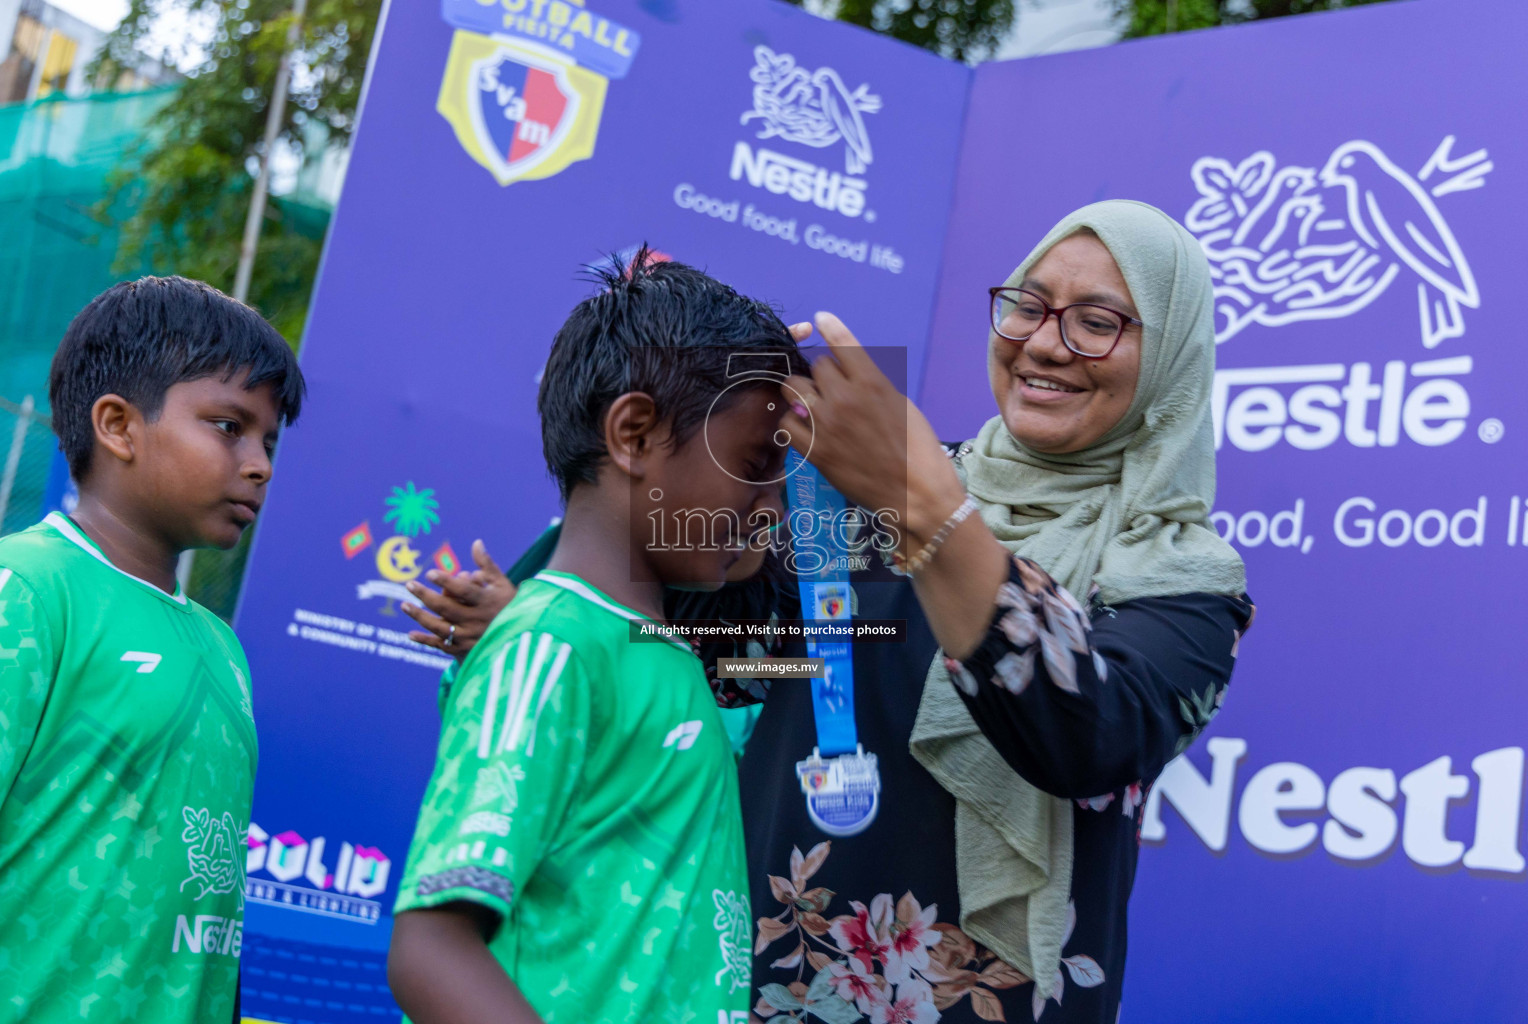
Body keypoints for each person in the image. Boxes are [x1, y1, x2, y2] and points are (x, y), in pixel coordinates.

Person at [411, 200, 1253, 1023]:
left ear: (1172, 354)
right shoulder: (868, 487)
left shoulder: (1182, 579)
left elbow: (1093, 735)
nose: (1044, 342)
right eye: (1027, 306)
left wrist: (927, 508)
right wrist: (565, 624)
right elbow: (748, 655)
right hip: (770, 988)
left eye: (1097, 322)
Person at [386, 253, 811, 1024]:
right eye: (754, 466)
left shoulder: (666, 658)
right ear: (635, 433)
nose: (772, 511)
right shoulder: (548, 648)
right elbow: (431, 947)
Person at [0, 276, 306, 1024]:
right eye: (230, 427)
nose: (261, 463)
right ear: (118, 425)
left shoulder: (223, 648)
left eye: (269, 439)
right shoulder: (30, 591)